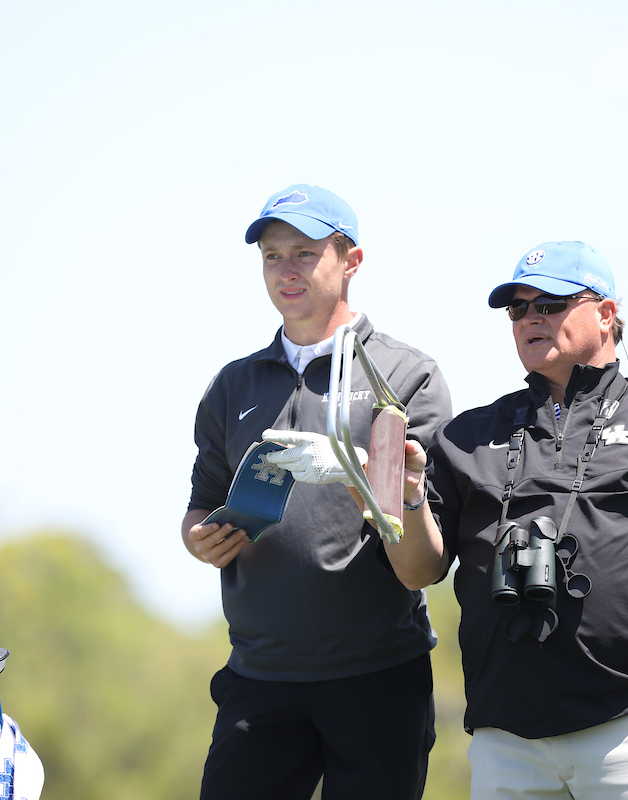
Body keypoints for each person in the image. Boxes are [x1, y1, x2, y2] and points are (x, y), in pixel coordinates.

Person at [384, 241, 628, 798]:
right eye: (518, 309)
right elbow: (416, 571)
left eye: (550, 304)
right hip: (507, 740)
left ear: (607, 314)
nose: (530, 319)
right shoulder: (465, 436)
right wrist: (406, 497)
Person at [180, 184, 452, 800]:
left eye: (304, 252)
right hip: (258, 675)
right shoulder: (233, 384)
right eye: (272, 256)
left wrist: (371, 482)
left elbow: (426, 556)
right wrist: (198, 539)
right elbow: (201, 500)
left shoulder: (407, 374)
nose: (286, 270)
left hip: (377, 674)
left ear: (352, 261)